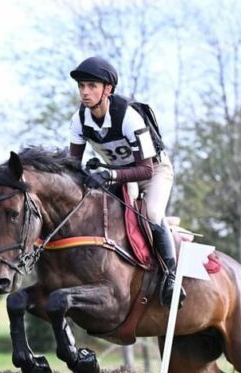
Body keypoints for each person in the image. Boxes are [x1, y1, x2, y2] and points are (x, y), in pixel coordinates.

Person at [67, 56, 183, 306]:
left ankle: (171, 276)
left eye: (91, 86)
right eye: (81, 87)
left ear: (107, 89)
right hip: (118, 173)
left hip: (152, 172)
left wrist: (111, 174)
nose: (84, 93)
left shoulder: (128, 116)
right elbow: (71, 166)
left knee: (151, 213)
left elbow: (145, 169)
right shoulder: (79, 120)